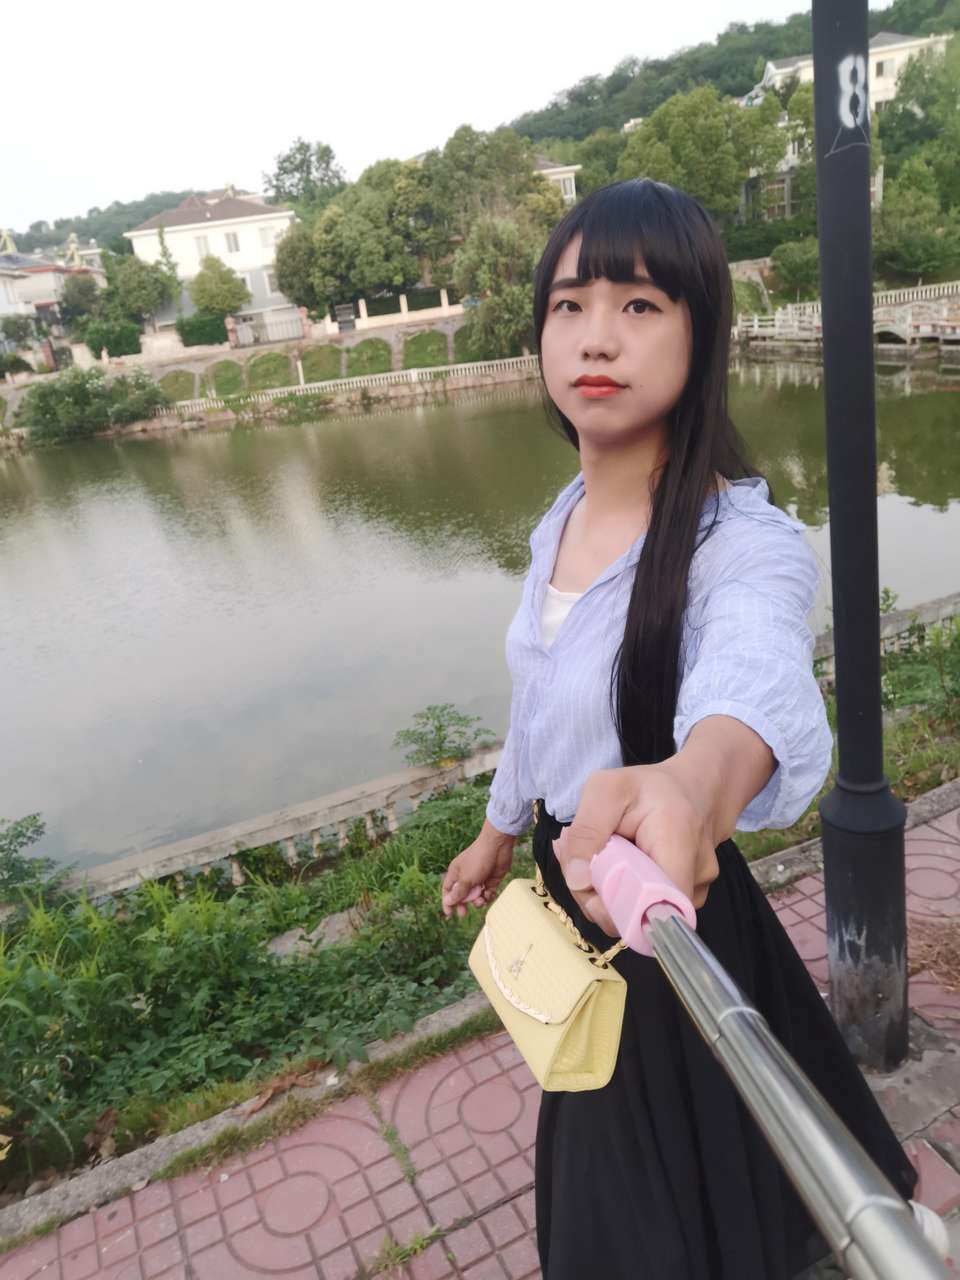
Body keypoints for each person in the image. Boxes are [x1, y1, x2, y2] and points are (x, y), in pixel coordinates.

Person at [440, 180, 930, 1280]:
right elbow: (538, 702)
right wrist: (498, 829)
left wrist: (692, 786)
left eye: (639, 304)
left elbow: (754, 677)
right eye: (569, 305)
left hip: (670, 914)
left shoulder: (738, 542)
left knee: (679, 1206)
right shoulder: (558, 522)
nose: (595, 336)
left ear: (700, 333)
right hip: (571, 904)